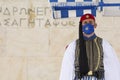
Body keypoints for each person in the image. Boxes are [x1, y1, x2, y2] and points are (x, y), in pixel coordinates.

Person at [59, 13, 120, 80]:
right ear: (81, 26)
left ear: (95, 25)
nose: (88, 24)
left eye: (90, 22)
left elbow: (112, 67)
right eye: (85, 22)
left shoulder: (104, 44)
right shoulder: (73, 45)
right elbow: (67, 68)